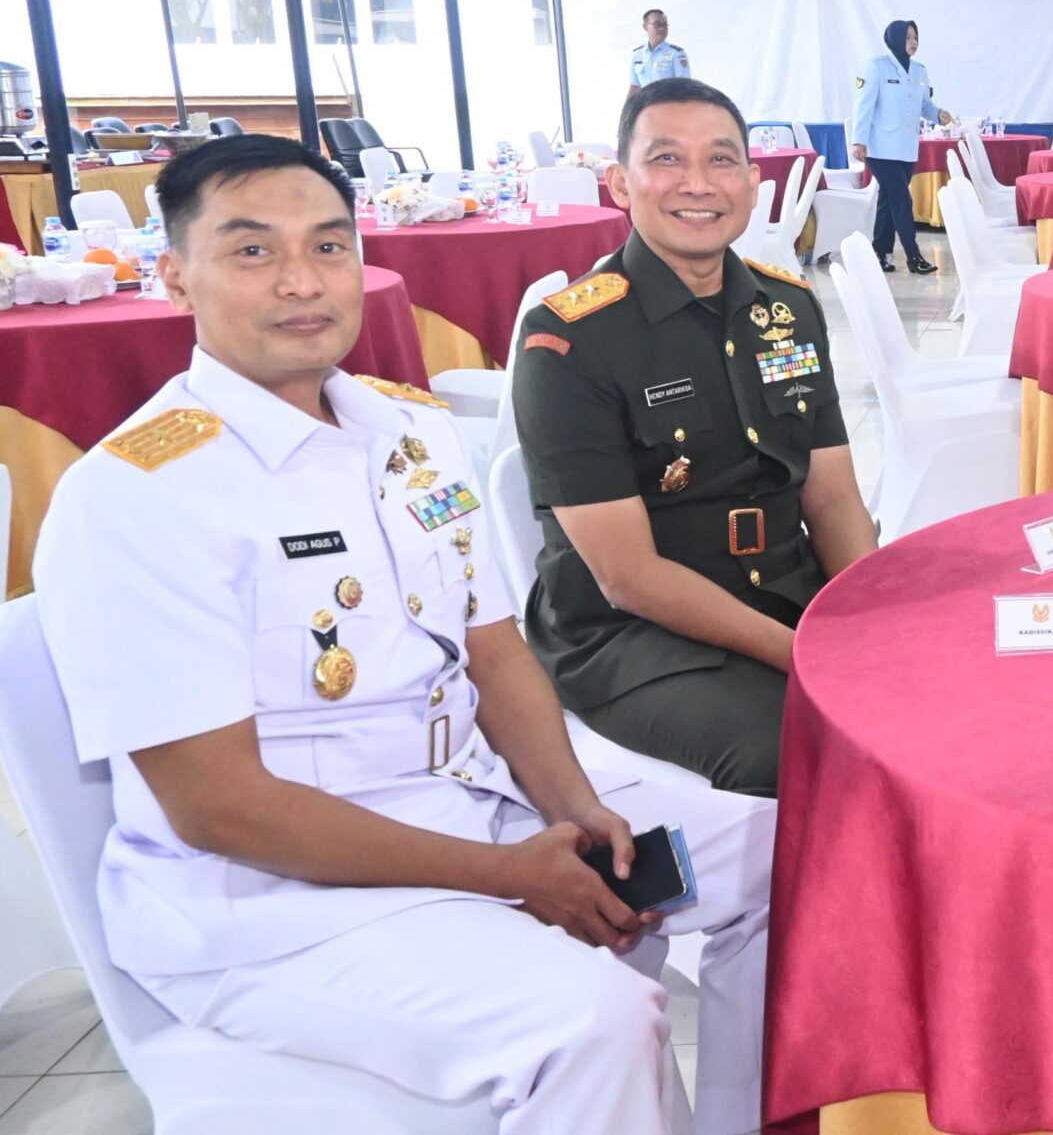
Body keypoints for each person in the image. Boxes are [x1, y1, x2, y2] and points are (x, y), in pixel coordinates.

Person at [30, 133, 774, 1134]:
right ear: (174, 276)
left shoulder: (410, 433)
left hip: (474, 803)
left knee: (789, 858)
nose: (302, 281)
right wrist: (506, 876)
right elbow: (217, 806)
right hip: (272, 902)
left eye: (328, 246)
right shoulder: (139, 496)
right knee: (595, 1023)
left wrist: (575, 807)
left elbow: (493, 647)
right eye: (252, 251)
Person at [513, 78, 878, 797]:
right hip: (631, 635)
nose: (698, 184)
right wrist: (805, 653)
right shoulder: (569, 340)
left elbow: (833, 499)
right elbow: (627, 577)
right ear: (621, 184)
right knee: (803, 749)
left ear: (752, 181)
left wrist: (865, 621)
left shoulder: (789, 309)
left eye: (720, 160)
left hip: (784, 591)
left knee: (926, 685)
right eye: (666, 159)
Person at [850, 19, 954, 274]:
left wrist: (937, 113)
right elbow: (864, 104)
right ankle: (913, 256)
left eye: (915, 37)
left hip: (906, 148)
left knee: (888, 200)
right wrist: (858, 140)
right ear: (895, 38)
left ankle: (879, 253)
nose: (913, 42)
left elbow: (924, 105)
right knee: (901, 199)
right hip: (879, 148)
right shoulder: (876, 67)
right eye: (907, 37)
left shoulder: (919, 71)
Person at [627, 8, 690, 98]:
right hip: (645, 105)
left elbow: (684, 87)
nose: (662, 28)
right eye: (657, 24)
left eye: (665, 24)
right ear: (645, 27)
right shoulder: (637, 55)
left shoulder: (676, 54)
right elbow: (635, 86)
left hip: (667, 105)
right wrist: (627, 106)